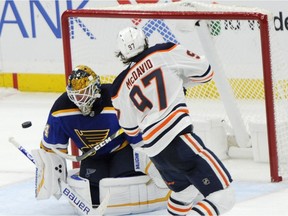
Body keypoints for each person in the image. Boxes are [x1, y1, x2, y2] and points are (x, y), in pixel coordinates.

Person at [111, 26, 235, 215]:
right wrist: (179, 81)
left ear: (122, 53)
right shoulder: (164, 51)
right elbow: (206, 72)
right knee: (224, 195)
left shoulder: (119, 86)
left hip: (154, 150)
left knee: (185, 192)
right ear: (145, 41)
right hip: (178, 139)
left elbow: (131, 130)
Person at [31, 65, 170, 215]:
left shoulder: (115, 99)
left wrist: (155, 160)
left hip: (121, 150)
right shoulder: (61, 109)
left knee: (126, 183)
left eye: (85, 93)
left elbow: (137, 136)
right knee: (93, 194)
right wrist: (51, 172)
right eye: (76, 95)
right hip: (91, 156)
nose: (80, 99)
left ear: (96, 88)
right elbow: (52, 148)